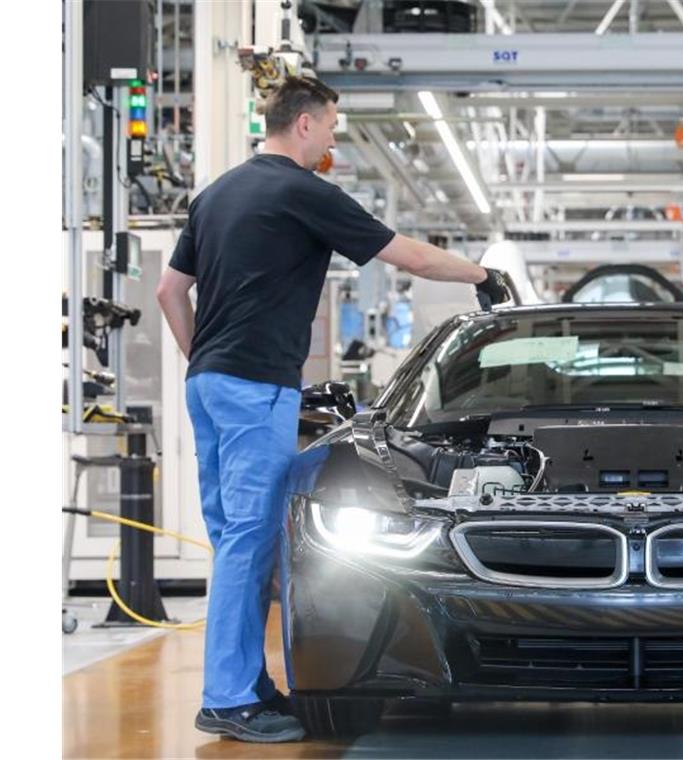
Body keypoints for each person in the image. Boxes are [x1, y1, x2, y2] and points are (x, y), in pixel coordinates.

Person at [155, 75, 510, 743]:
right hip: (255, 384)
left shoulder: (215, 195)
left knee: (243, 531)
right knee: (247, 539)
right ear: (308, 124)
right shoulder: (301, 192)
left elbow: (169, 290)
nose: (334, 139)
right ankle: (228, 700)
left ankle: (250, 684)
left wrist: (201, 357)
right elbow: (410, 257)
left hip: (208, 385)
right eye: (332, 126)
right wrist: (483, 276)